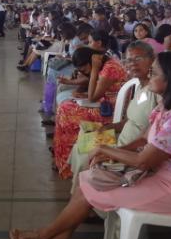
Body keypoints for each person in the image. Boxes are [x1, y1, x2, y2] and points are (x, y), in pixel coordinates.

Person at [9, 51, 171, 239]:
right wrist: (117, 152)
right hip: (156, 175)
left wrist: (105, 150)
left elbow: (143, 161)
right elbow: (143, 138)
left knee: (89, 188)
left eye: (154, 72)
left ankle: (45, 235)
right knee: (87, 179)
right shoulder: (169, 106)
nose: (149, 76)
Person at [68, 41, 159, 192]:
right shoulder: (141, 85)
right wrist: (109, 127)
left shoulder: (157, 90)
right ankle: (81, 195)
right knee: (81, 145)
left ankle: (87, 198)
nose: (132, 64)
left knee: (85, 154)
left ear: (152, 59)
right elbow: (131, 119)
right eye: (129, 60)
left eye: (138, 59)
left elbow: (151, 135)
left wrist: (117, 148)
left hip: (132, 148)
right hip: (121, 137)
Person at [53, 47, 127, 179]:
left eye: (84, 69)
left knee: (65, 111)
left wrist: (94, 69)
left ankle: (66, 160)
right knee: (65, 108)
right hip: (105, 104)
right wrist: (84, 93)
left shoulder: (109, 68)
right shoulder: (106, 64)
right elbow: (97, 89)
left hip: (110, 111)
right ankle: (64, 158)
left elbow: (93, 97)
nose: (83, 72)